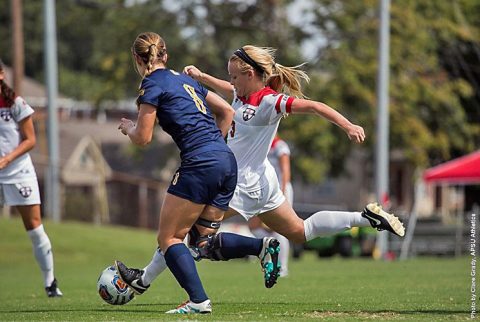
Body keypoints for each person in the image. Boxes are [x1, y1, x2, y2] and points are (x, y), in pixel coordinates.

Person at [118, 45, 405, 298]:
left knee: (184, 234)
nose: (231, 82)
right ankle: (367, 217)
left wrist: (348, 126)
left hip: (239, 184)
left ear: (251, 75)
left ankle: (144, 280)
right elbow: (225, 90)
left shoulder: (271, 102)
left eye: (234, 76)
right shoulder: (241, 96)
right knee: (300, 231)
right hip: (263, 180)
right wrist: (202, 77)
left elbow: (315, 106)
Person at [115, 33, 281, 314]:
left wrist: (128, 127)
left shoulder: (151, 84)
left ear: (137, 59)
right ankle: (261, 247)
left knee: (169, 239)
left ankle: (198, 301)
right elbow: (227, 110)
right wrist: (215, 147)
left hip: (200, 163)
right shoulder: (185, 79)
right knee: (203, 242)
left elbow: (143, 137)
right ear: (165, 55)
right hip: (226, 162)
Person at [0, 59, 62, 297]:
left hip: (18, 172)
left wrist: (6, 159)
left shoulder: (15, 103)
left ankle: (50, 283)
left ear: (1, 75)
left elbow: (30, 140)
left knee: (34, 227)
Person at [248, 135, 292, 277]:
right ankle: (269, 245)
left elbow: (285, 171)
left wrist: (282, 191)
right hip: (265, 189)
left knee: (282, 229)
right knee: (254, 226)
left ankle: (282, 268)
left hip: (279, 189)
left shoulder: (280, 146)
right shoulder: (261, 142)